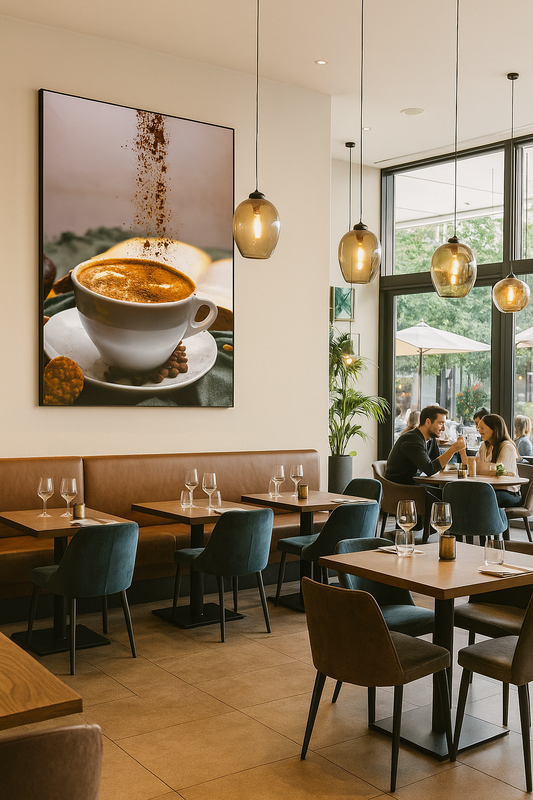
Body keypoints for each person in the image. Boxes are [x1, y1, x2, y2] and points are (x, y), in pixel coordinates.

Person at [386, 405, 465, 486]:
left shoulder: (431, 439)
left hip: (417, 484)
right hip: (401, 488)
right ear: (428, 422)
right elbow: (430, 469)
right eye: (441, 423)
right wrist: (453, 449)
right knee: (449, 493)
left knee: (450, 491)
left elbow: (438, 465)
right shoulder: (412, 440)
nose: (444, 428)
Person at [461, 413, 522, 507]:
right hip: (489, 489)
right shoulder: (484, 446)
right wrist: (462, 451)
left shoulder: (507, 447)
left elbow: (500, 471)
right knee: (465, 496)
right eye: (478, 427)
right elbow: (472, 467)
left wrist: (481, 468)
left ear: (494, 429)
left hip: (508, 493)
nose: (478, 430)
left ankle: (492, 522)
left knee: (481, 500)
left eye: (482, 428)